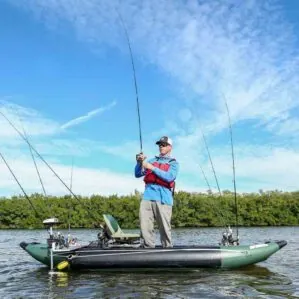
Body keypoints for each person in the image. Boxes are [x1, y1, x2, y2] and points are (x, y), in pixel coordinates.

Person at [134, 136, 179, 248]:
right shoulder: (151, 161)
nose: (161, 147)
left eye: (164, 145)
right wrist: (139, 163)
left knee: (164, 227)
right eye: (160, 145)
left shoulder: (173, 163)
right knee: (145, 226)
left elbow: (169, 177)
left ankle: (167, 248)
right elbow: (137, 174)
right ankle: (148, 248)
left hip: (164, 198)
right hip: (148, 196)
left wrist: (152, 168)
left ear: (170, 147)